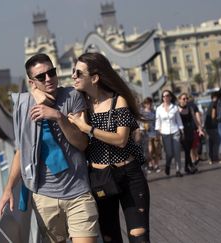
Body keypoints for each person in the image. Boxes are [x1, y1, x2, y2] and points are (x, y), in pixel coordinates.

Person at [0, 53, 99, 243]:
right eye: (41, 77)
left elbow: (82, 143)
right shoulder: (23, 105)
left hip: (79, 192)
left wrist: (58, 116)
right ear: (31, 82)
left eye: (51, 72)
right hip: (45, 197)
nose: (48, 79)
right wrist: (8, 188)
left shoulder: (73, 96)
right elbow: (22, 150)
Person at [68, 52, 150, 243]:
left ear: (95, 78)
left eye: (79, 73)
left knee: (140, 238)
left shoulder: (118, 101)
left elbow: (121, 139)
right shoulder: (80, 105)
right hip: (100, 179)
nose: (73, 76)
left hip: (129, 176)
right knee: (110, 238)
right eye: (73, 71)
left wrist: (87, 128)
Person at [155, 90, 184, 177]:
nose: (166, 97)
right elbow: (157, 122)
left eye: (167, 96)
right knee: (169, 153)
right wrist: (158, 132)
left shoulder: (174, 108)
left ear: (170, 97)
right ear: (162, 98)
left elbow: (179, 120)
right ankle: (167, 165)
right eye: (164, 96)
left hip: (175, 131)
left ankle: (178, 170)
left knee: (177, 152)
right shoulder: (159, 109)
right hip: (165, 133)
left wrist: (182, 130)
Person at [177, 93, 199, 174]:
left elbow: (194, 119)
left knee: (188, 150)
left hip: (190, 131)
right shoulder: (177, 109)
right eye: (183, 99)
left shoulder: (190, 108)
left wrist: (199, 128)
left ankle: (187, 167)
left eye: (186, 98)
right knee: (186, 149)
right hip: (182, 132)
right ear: (179, 100)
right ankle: (191, 166)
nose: (186, 100)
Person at [139, 97, 161, 173]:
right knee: (150, 151)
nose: (149, 105)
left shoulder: (154, 112)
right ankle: (151, 164)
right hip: (146, 134)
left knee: (157, 150)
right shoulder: (141, 112)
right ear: (144, 104)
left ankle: (156, 165)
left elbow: (157, 122)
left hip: (155, 133)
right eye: (147, 103)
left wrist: (158, 132)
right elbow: (140, 123)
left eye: (150, 103)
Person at [204, 92, 221, 164]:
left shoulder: (210, 104)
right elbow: (213, 116)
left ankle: (210, 159)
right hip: (213, 126)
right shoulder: (215, 104)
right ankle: (215, 158)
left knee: (210, 143)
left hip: (208, 126)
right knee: (216, 142)